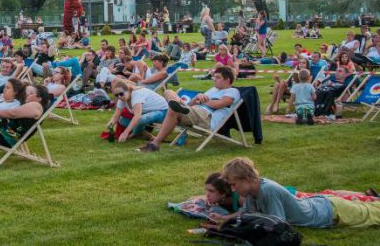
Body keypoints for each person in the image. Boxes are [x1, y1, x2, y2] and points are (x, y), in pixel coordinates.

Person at [215, 157, 380, 228]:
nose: (233, 189)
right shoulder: (252, 191)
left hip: (329, 212)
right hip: (322, 204)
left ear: (245, 179)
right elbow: (247, 212)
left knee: (373, 214)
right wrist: (226, 219)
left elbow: (277, 224)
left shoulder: (267, 190)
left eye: (234, 184)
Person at [137, 66, 240, 152]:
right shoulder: (213, 89)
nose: (214, 79)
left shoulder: (232, 91)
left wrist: (203, 100)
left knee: (174, 109)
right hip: (194, 111)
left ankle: (155, 143)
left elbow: (219, 104)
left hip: (206, 118)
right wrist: (196, 97)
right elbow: (190, 105)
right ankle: (176, 105)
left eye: (218, 77)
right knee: (168, 92)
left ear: (227, 80)